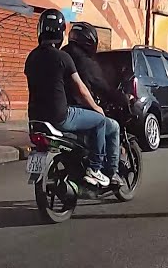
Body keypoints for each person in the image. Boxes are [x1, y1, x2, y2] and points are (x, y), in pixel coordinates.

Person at [24, 10, 113, 188]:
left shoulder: (31, 57)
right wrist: (96, 108)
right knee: (100, 121)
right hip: (60, 116)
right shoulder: (63, 58)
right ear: (61, 32)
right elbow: (81, 90)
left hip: (35, 118)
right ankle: (95, 169)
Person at [62, 22, 124, 186]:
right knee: (110, 125)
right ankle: (108, 171)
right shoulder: (84, 61)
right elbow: (100, 87)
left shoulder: (62, 54)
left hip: (55, 110)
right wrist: (122, 98)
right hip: (73, 111)